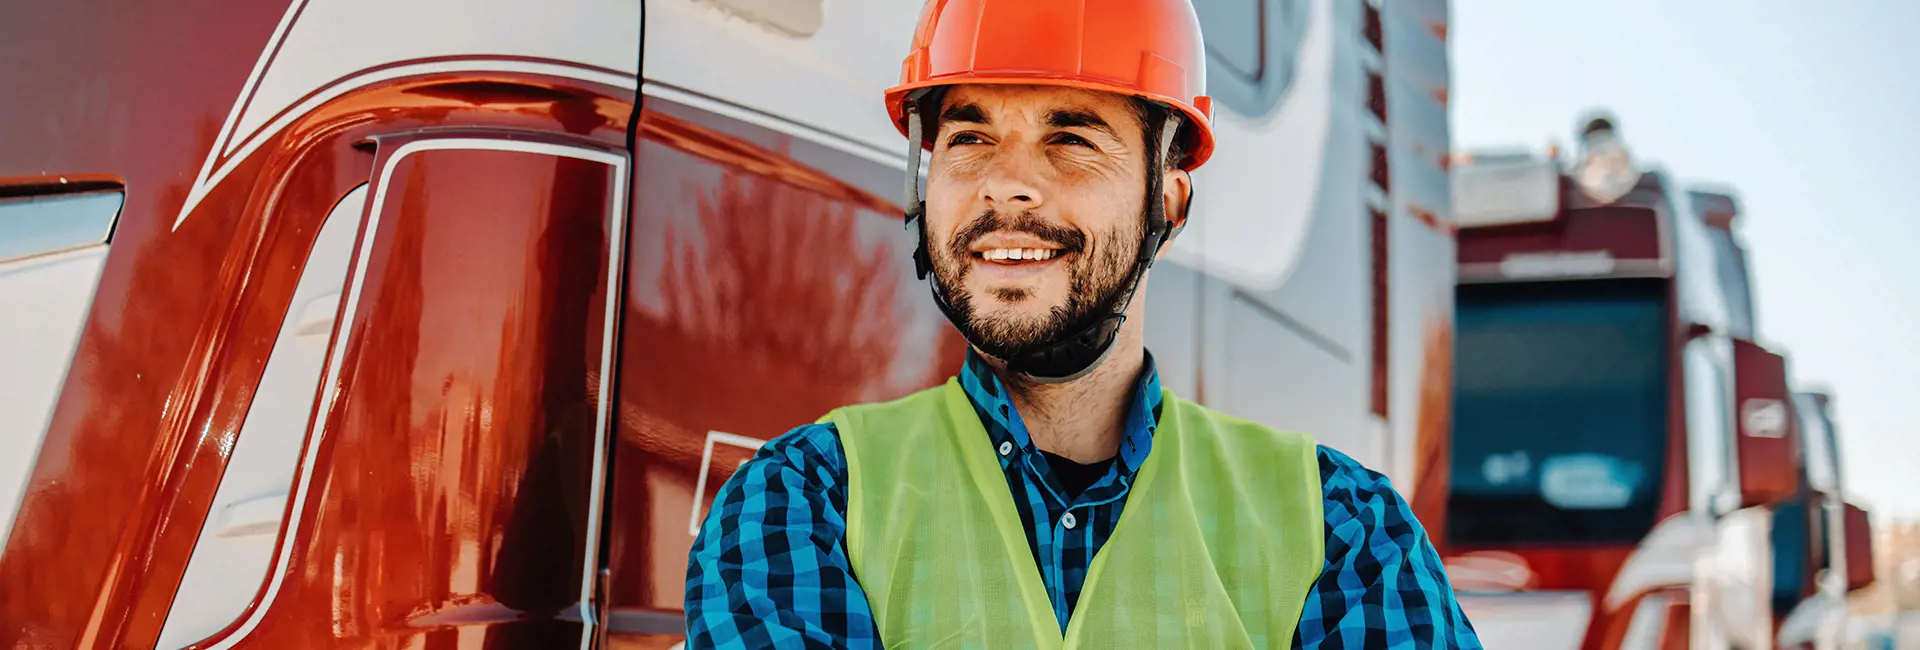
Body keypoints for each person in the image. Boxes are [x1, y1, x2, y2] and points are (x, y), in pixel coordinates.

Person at [685, 0, 1481, 646]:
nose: (1008, 186)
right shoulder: (804, 502)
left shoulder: (1342, 532)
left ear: (1166, 204)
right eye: (969, 138)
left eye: (1070, 139)